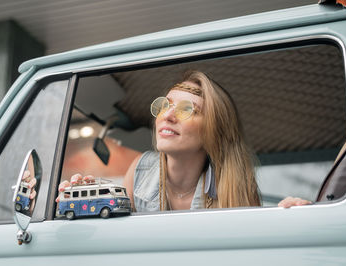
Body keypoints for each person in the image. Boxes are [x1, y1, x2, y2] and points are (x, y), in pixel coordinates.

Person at [58, 71, 261, 211]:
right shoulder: (140, 170)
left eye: (186, 109)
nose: (167, 116)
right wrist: (83, 202)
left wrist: (290, 213)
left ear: (214, 132)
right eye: (164, 105)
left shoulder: (236, 187)